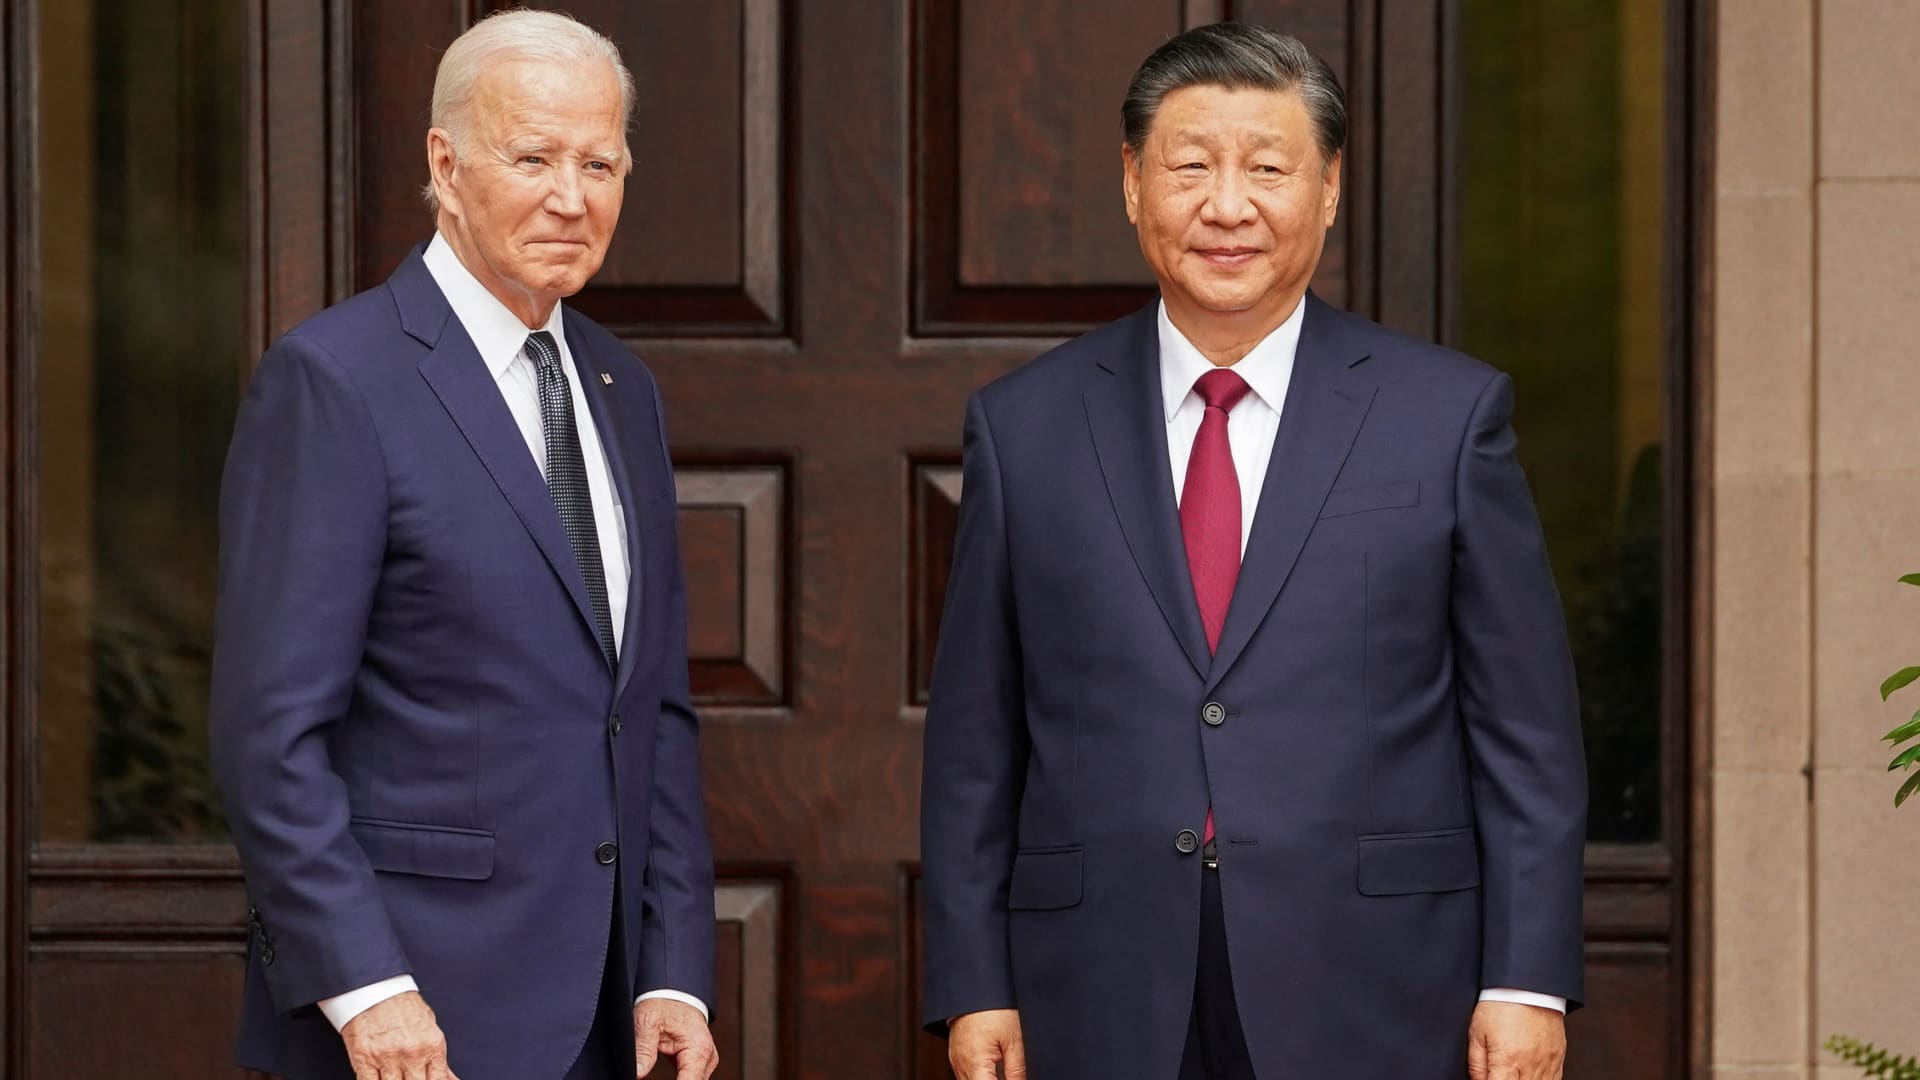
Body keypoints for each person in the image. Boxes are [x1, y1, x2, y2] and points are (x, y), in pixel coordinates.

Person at [919, 22, 1586, 1080]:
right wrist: (972, 981)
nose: (1227, 206)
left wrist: (1527, 979)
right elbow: (975, 743)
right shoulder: (1025, 427)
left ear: (1329, 188)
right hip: (1096, 985)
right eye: (1190, 166)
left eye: (1267, 169)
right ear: (1132, 182)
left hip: (1378, 980)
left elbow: (1526, 734)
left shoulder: (1446, 417)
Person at [209, 11, 717, 1079]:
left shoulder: (623, 389)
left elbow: (652, 711)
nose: (571, 198)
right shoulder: (336, 381)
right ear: (446, 164)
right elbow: (272, 736)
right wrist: (368, 989)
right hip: (406, 1024)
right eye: (533, 158)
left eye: (599, 163)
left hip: (607, 1021)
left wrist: (672, 970)